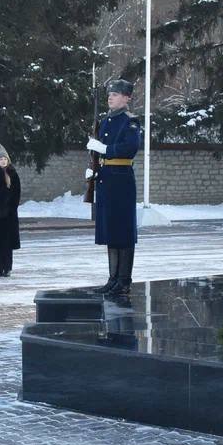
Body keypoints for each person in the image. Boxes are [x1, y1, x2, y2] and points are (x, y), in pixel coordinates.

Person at [86, 78, 141, 296]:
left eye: (115, 94)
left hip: (121, 179)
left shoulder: (130, 121)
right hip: (106, 179)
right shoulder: (105, 121)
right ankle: (113, 279)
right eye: (110, 94)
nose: (110, 97)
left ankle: (124, 280)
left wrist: (104, 149)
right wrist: (94, 170)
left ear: (126, 98)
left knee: (123, 231)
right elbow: (97, 154)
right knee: (111, 232)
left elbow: (130, 147)